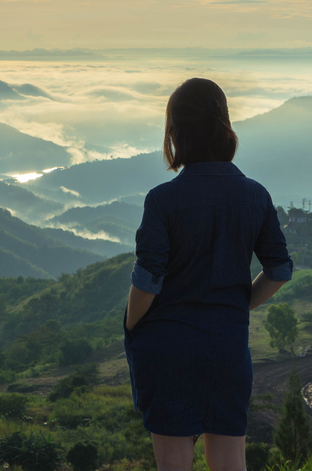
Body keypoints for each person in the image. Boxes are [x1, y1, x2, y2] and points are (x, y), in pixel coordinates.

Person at [123, 78, 293, 471]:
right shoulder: (256, 195)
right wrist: (237, 304)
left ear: (176, 132)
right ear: (225, 126)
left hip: (167, 347)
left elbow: (148, 279)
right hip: (228, 347)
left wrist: (133, 326)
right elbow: (279, 270)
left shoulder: (163, 199)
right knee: (231, 461)